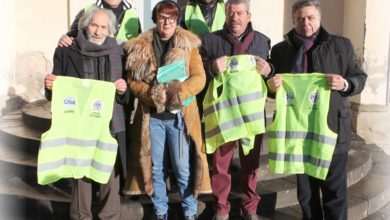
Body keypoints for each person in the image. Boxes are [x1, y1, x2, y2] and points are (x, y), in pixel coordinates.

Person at [266, 0, 367, 219]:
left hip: (332, 131)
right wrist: (270, 87)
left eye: (310, 17)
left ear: (319, 19)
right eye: (300, 18)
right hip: (300, 135)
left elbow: (359, 77)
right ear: (293, 20)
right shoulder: (280, 50)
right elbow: (273, 89)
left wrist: (345, 84)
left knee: (335, 194)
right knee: (306, 195)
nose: (305, 23)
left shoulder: (342, 45)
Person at [123, 1, 211, 219]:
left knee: (182, 168)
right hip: (151, 118)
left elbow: (199, 78)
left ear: (177, 20)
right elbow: (133, 82)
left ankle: (189, 212)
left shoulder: (188, 45)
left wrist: (179, 93)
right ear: (155, 18)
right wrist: (152, 95)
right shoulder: (140, 46)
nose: (167, 23)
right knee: (156, 169)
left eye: (171, 18)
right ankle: (161, 211)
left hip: (179, 118)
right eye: (163, 17)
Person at [44, 7, 130, 220]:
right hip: (79, 125)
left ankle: (110, 216)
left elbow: (126, 97)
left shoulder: (119, 52)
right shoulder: (66, 50)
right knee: (80, 173)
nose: (98, 31)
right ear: (85, 25)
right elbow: (56, 92)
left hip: (110, 123)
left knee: (109, 173)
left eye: (103, 27)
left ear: (110, 29)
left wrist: (123, 90)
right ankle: (80, 216)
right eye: (94, 25)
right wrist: (50, 86)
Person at [201, 0, 272, 219]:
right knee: (221, 166)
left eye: (240, 13)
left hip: (251, 117)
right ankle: (221, 207)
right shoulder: (210, 41)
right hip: (224, 115)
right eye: (231, 13)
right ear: (225, 14)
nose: (235, 17)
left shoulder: (262, 41)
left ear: (248, 16)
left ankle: (250, 207)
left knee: (250, 165)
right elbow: (196, 70)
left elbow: (273, 70)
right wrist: (211, 67)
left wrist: (269, 69)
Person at [58, 0, 140, 47]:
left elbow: (139, 47)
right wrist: (65, 39)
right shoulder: (86, 11)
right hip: (94, 70)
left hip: (123, 71)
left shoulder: (133, 16)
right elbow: (70, 39)